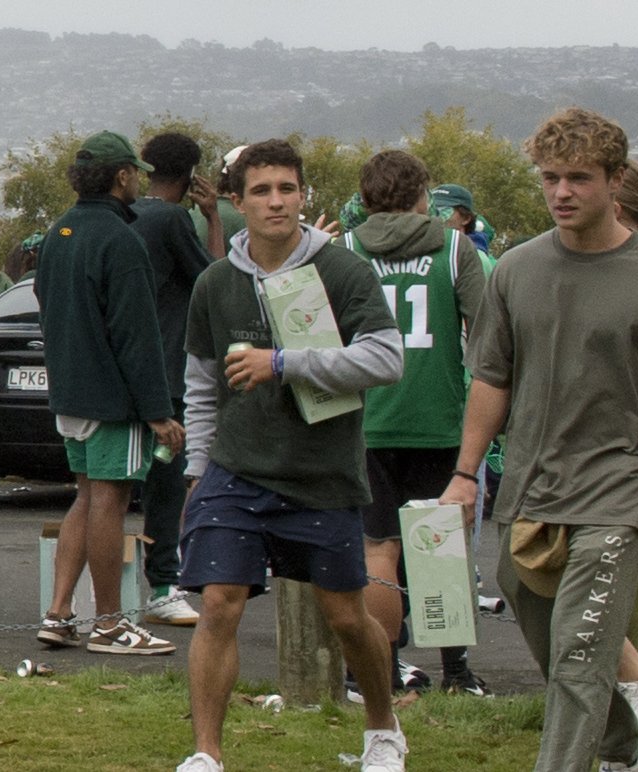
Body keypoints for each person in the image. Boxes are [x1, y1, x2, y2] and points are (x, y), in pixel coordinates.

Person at [446, 108, 638, 772]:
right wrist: (466, 474)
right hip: (532, 484)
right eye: (551, 178)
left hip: (624, 488)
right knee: (536, 614)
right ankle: (621, 750)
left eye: (578, 177)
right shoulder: (516, 271)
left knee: (582, 650)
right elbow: (491, 377)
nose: (562, 193)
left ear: (614, 182)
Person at [165, 140, 413, 772]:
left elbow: (387, 360)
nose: (277, 202)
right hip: (235, 469)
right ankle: (206, 754)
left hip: (321, 474)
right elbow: (200, 383)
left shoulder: (344, 271)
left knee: (347, 617)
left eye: (288, 189)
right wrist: (197, 468)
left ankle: (382, 729)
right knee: (218, 601)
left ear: (304, 195)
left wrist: (284, 362)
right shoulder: (216, 284)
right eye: (262, 190)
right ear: (236, 200)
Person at [343, 150, 492, 695]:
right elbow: (488, 334)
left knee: (378, 548)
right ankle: (456, 673)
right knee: (439, 549)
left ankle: (371, 673)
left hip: (367, 420)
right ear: (421, 196)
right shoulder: (454, 248)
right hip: (439, 418)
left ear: (365, 199)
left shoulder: (348, 249)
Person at [36, 131, 183, 656]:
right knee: (110, 503)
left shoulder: (58, 232)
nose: (140, 180)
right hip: (112, 398)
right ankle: (109, 623)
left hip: (69, 392)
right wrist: (159, 412)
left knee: (86, 497)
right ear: (122, 175)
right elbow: (136, 336)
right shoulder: (123, 240)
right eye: (136, 173)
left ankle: (57, 614)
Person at [126, 132, 217, 629]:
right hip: (168, 375)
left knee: (107, 489)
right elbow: (217, 280)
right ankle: (163, 585)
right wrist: (214, 217)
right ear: (190, 175)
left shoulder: (126, 215)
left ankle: (88, 599)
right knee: (166, 484)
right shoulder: (172, 218)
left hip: (126, 372)